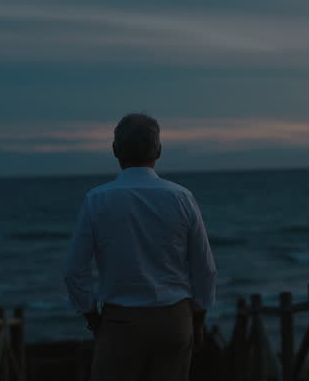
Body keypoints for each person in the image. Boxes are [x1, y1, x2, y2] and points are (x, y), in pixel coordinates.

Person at [64, 113, 217, 381]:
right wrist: (198, 317)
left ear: (115, 150)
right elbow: (205, 268)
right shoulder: (182, 197)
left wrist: (92, 317)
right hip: (174, 319)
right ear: (159, 150)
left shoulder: (97, 199)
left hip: (120, 321)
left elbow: (74, 271)